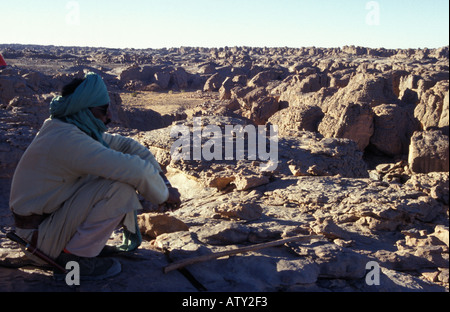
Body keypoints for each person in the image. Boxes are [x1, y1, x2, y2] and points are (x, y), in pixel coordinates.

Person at [9, 72, 181, 280]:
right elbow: (134, 170)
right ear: (84, 110)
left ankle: (77, 247)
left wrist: (161, 178)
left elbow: (127, 145)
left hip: (46, 228)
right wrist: (164, 195)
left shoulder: (67, 129)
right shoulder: (69, 140)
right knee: (119, 189)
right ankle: (73, 260)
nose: (108, 116)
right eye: (103, 110)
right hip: (40, 238)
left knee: (111, 179)